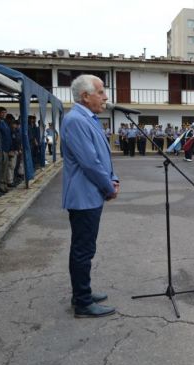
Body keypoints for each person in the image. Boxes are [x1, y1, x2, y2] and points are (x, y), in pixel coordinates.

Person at [61, 74, 119, 318]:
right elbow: (90, 163)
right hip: (84, 196)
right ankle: (83, 302)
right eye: (101, 92)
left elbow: (103, 155)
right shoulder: (75, 120)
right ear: (85, 97)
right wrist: (108, 187)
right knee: (83, 250)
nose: (106, 97)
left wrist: (113, 178)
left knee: (86, 248)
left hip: (91, 194)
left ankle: (81, 293)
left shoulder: (89, 118)